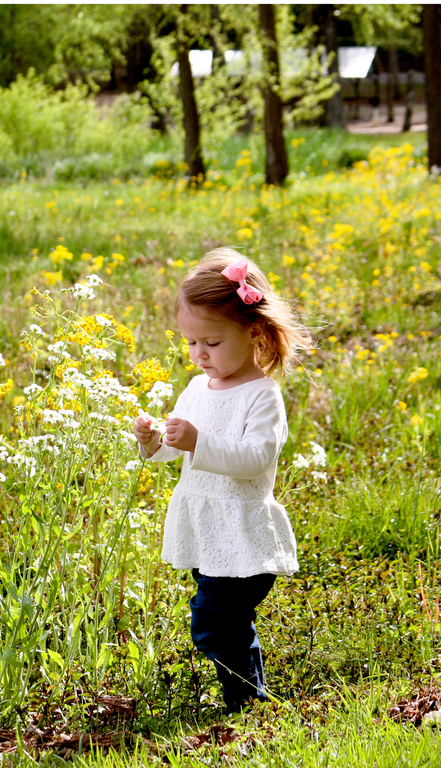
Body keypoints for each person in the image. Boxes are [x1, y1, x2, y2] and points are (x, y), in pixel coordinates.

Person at [132, 247, 312, 714]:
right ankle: (245, 702)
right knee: (226, 622)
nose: (199, 354)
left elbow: (256, 459)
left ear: (253, 332)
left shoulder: (262, 395)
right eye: (191, 343)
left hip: (244, 533)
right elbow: (176, 448)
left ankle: (247, 704)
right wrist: (154, 440)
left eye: (211, 342)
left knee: (215, 621)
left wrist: (197, 441)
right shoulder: (197, 389)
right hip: (208, 528)